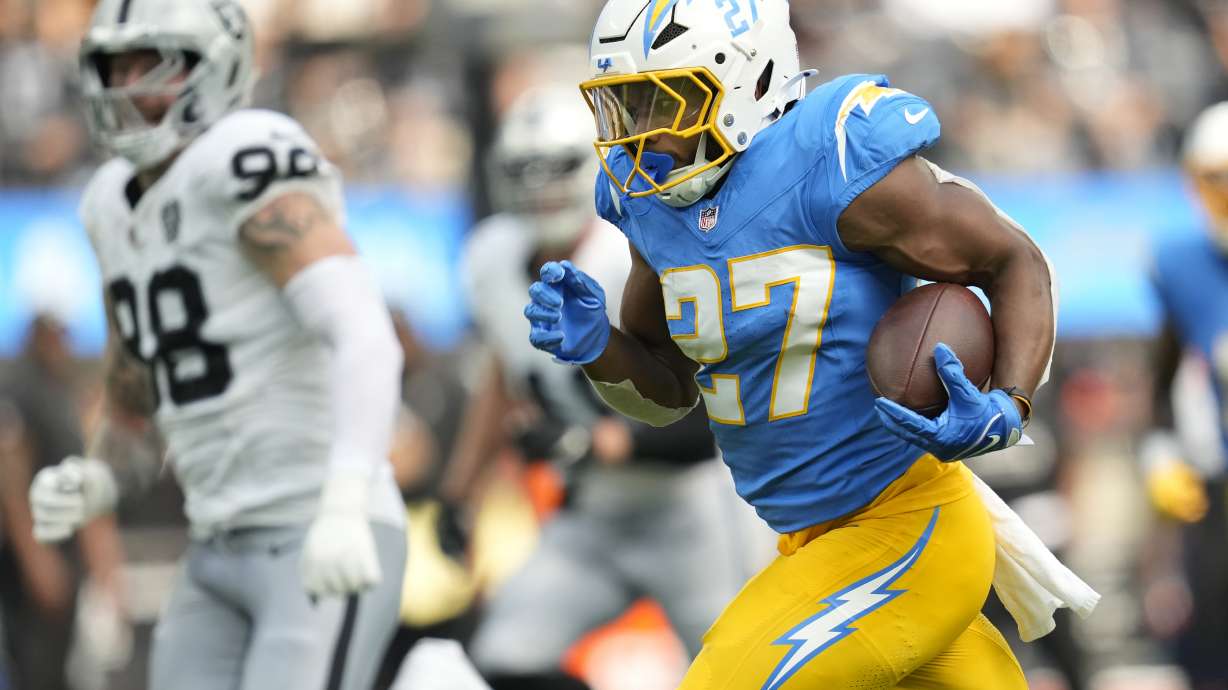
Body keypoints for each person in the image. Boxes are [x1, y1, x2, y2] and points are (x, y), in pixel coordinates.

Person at [523, 1, 1097, 688]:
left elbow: (1013, 259)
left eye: (663, 103)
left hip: (905, 524)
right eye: (627, 106)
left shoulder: (831, 162)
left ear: (747, 79)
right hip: (808, 542)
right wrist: (599, 348)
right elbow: (668, 395)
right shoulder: (648, 207)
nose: (641, 135)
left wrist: (1009, 403)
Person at [26, 2, 407, 688]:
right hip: (214, 541)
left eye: (152, 64)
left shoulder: (244, 157)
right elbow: (139, 381)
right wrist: (103, 473)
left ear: (216, 68)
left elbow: (363, 334)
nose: (126, 85)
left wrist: (347, 499)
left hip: (314, 521)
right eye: (116, 66)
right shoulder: (108, 203)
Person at [441, 84, 750, 690]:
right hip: (590, 519)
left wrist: (587, 444)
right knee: (504, 662)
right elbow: (503, 375)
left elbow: (702, 420)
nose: (540, 186)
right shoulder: (491, 256)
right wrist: (461, 492)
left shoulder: (629, 254)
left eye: (557, 167)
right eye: (523, 171)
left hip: (688, 516)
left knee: (738, 676)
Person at [1142, 101, 1228, 690]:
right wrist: (1161, 451)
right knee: (1207, 642)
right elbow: (1167, 371)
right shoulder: (1180, 262)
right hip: (1219, 487)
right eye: (1214, 179)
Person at [0, 315, 127, 690]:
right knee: (35, 671)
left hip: (67, 555)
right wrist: (35, 556)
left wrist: (104, 562)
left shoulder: (63, 391)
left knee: (67, 672)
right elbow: (11, 475)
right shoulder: (22, 389)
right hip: (34, 561)